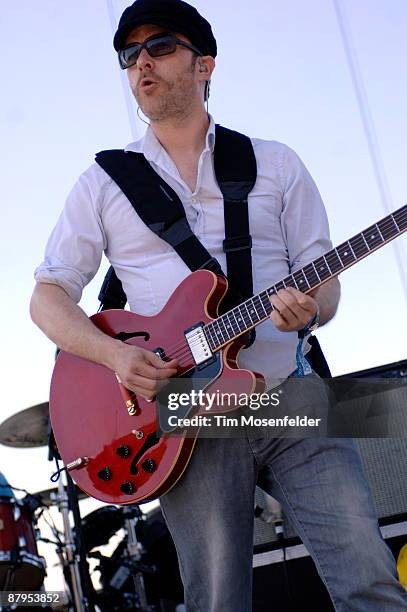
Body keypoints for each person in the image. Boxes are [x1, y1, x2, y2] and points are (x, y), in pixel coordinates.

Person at [30, 1, 407, 610]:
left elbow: (328, 285)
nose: (141, 64)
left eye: (159, 48)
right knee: (217, 599)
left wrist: (309, 309)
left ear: (204, 65)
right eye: (129, 56)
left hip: (289, 390)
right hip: (183, 410)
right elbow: (47, 298)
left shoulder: (276, 164)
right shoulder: (103, 182)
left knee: (369, 574)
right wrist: (115, 358)